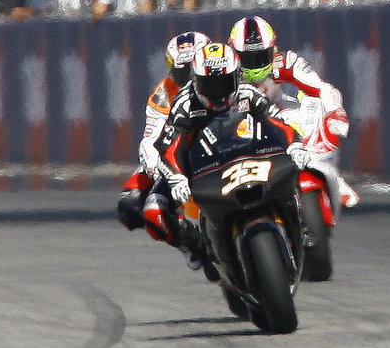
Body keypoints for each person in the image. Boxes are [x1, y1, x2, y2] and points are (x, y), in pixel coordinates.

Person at [150, 42, 285, 256]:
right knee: (154, 208)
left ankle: (301, 220)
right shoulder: (185, 105)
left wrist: (293, 146)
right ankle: (199, 249)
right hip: (206, 168)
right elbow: (168, 148)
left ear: (236, 76)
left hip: (251, 155)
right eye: (210, 85)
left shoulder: (248, 93)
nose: (218, 92)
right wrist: (177, 179)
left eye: (224, 83)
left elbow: (277, 123)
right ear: (196, 81)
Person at [227, 14, 359, 209]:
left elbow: (323, 89)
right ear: (233, 53)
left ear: (273, 49)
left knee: (313, 103)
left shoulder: (286, 62)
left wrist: (335, 112)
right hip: (236, 123)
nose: (255, 64)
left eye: (261, 56)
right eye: (248, 57)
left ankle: (326, 175)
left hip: (277, 116)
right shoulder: (221, 70)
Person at [116, 31, 210, 255]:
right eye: (180, 72)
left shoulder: (223, 79)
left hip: (218, 147)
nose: (187, 79)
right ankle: (191, 244)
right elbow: (150, 139)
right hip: (176, 153)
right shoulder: (164, 93)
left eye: (191, 70)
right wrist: (155, 165)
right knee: (131, 204)